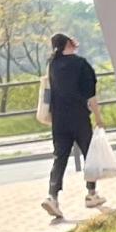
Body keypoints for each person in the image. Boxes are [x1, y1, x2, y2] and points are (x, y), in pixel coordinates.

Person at [39, 31, 101, 222]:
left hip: (59, 120)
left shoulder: (52, 65)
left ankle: (52, 196)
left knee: (60, 158)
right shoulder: (81, 64)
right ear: (68, 44)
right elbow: (91, 95)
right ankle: (91, 194)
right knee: (89, 155)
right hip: (79, 117)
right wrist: (99, 118)